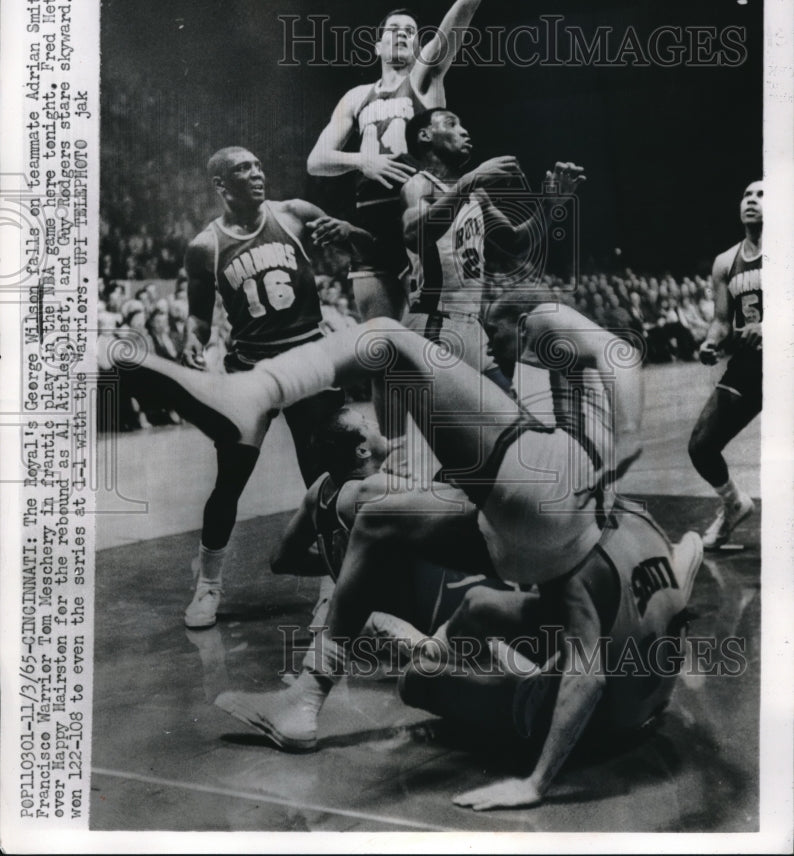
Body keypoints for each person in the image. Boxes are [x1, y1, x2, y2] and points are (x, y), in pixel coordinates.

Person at [117, 308, 700, 805]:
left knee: (390, 339)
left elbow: (618, 351)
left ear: (513, 322)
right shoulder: (630, 563)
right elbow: (603, 644)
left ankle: (255, 391)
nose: (489, 349)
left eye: (492, 335)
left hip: (548, 508)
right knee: (382, 522)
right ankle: (304, 700)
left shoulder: (543, 320)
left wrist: (535, 784)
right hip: (545, 550)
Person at [306, 0, 546, 324]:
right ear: (377, 44)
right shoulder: (357, 97)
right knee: (381, 349)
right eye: (393, 29)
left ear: (420, 45)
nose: (402, 34)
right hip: (372, 222)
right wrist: (364, 162)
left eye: (411, 31)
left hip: (423, 216)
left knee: (433, 344)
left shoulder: (425, 77)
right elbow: (317, 161)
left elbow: (466, 5)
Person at [178, 145, 376, 628]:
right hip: (251, 368)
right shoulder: (206, 246)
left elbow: (370, 249)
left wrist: (349, 232)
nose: (256, 174)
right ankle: (207, 586)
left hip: (310, 358)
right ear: (222, 185)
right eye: (243, 169)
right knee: (231, 479)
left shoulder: (294, 214)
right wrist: (192, 342)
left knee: (326, 477)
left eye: (259, 165)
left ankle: (332, 588)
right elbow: (199, 316)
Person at [401, 108, 584, 387]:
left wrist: (549, 205)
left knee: (510, 421)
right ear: (425, 136)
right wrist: (468, 181)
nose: (464, 130)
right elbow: (415, 235)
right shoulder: (418, 185)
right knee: (494, 424)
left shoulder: (477, 195)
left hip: (470, 324)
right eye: (452, 124)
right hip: (434, 321)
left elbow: (516, 242)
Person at [688, 181, 763, 549]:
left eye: (763, 195)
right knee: (701, 445)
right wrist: (711, 341)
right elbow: (721, 318)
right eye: (747, 195)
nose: (752, 200)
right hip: (752, 364)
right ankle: (733, 503)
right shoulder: (725, 262)